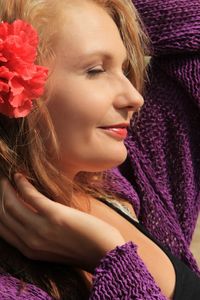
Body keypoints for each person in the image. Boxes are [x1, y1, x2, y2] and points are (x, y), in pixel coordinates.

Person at [0, 0, 199, 299]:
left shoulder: (126, 179)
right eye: (95, 70)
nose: (134, 97)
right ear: (16, 84)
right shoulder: (12, 287)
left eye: (125, 68)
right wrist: (110, 255)